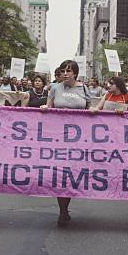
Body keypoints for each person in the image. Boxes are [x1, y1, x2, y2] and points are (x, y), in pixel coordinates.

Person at [40, 60, 90, 226]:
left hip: (79, 139)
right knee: (61, 174)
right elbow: (49, 106)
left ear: (75, 73)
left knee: (73, 173)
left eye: (69, 71)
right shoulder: (55, 88)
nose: (65, 74)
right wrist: (45, 108)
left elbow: (91, 109)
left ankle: (66, 206)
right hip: (58, 138)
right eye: (63, 71)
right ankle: (62, 210)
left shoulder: (83, 88)